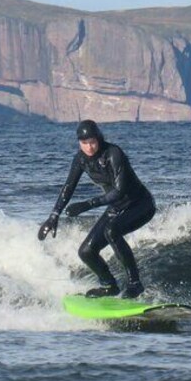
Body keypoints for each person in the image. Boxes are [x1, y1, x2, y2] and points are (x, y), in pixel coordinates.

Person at [37, 120, 155, 299]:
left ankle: (135, 284)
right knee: (86, 252)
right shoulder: (80, 159)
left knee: (111, 231)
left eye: (92, 141)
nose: (89, 147)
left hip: (140, 204)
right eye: (84, 143)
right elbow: (68, 187)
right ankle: (109, 285)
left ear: (98, 138)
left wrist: (87, 204)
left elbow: (119, 190)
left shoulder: (113, 153)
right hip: (116, 208)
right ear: (79, 143)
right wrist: (54, 216)